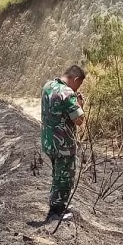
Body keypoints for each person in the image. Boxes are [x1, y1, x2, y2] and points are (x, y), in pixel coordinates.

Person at [41, 65, 86, 222]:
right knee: (64, 176)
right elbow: (79, 120)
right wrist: (80, 104)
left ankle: (56, 205)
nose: (77, 88)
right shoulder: (67, 93)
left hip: (48, 141)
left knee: (57, 174)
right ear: (75, 79)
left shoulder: (48, 86)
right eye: (78, 84)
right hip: (63, 144)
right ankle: (56, 211)